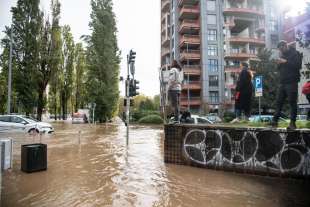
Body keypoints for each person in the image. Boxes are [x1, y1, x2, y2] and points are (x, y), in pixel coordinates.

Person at [271, 40, 302, 130]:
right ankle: (274, 121)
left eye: (282, 48)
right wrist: (279, 63)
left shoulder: (295, 53)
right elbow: (279, 69)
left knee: (292, 102)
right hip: (282, 82)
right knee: (278, 102)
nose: (281, 51)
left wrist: (285, 61)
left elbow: (298, 65)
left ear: (285, 45)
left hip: (292, 82)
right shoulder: (282, 55)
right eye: (280, 49)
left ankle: (292, 123)